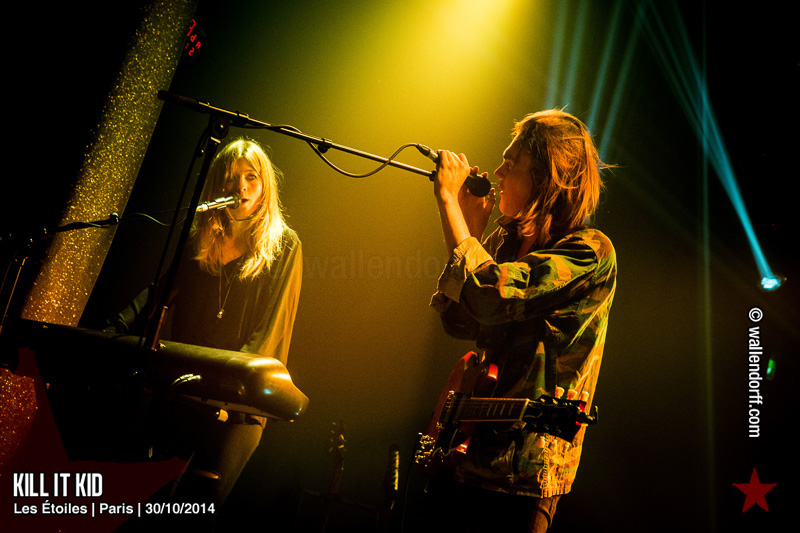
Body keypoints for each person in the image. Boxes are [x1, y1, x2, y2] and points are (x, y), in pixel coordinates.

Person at [421, 110, 616, 532]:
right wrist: (471, 230)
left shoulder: (589, 251)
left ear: (544, 177)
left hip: (523, 473)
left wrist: (450, 206)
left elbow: (489, 296)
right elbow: (459, 321)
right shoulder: (505, 241)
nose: (497, 172)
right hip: (463, 454)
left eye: (511, 163)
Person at [105, 138, 303, 522]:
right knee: (150, 500)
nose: (240, 187)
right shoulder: (200, 239)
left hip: (239, 402)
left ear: (265, 185)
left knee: (197, 510)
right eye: (230, 178)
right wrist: (114, 329)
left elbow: (272, 326)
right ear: (217, 186)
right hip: (184, 387)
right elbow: (159, 291)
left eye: (251, 177)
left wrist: (230, 379)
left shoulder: (284, 246)